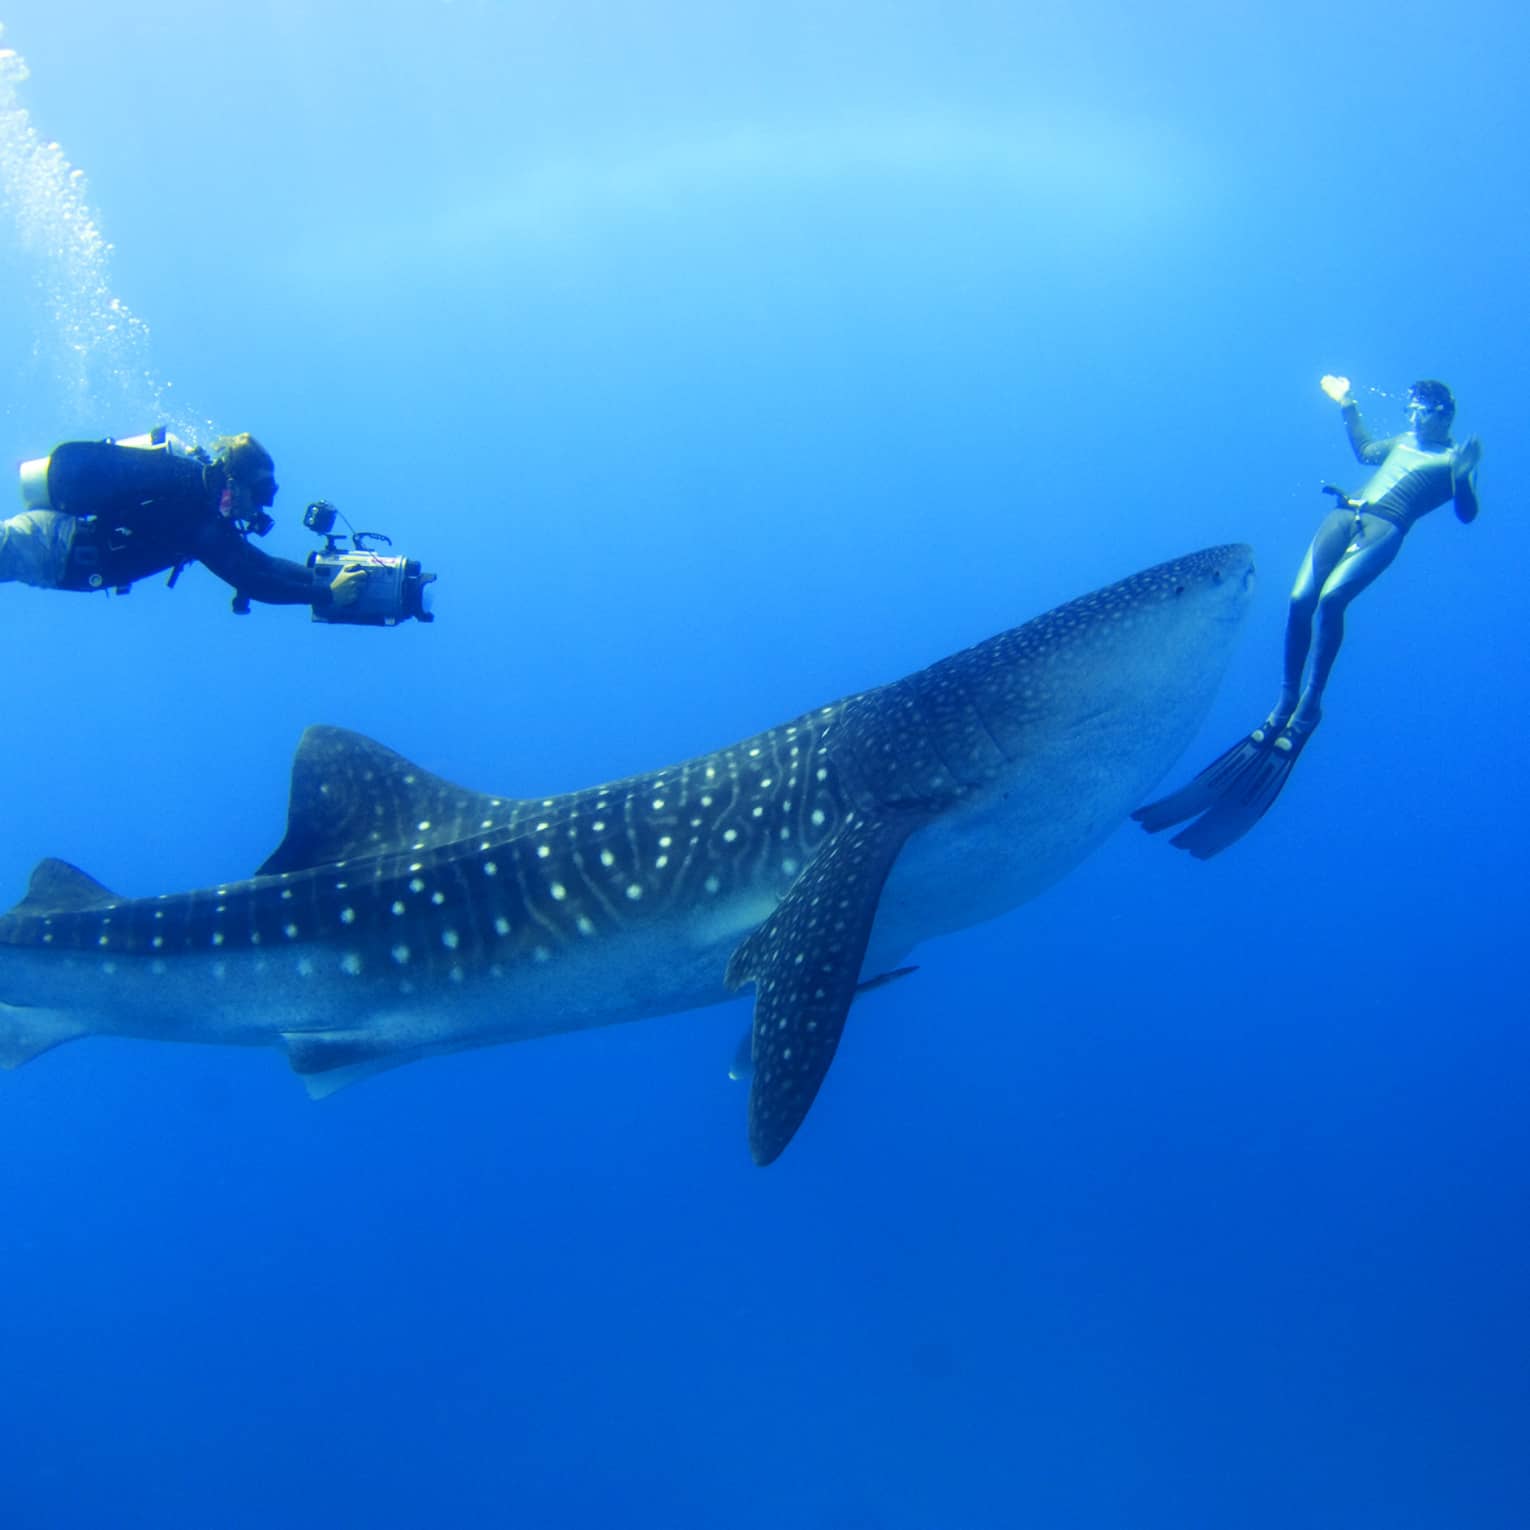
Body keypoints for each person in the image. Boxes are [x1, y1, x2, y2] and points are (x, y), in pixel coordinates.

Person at [1134, 376, 1483, 859]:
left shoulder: (1451, 459)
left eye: (1422, 411)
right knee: (1299, 600)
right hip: (1345, 514)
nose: (1413, 418)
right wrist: (1348, 404)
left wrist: (1464, 476)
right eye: (1410, 409)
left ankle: (1309, 708)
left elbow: (1467, 514)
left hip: (1387, 527)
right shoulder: (1401, 441)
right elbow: (1364, 452)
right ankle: (1284, 703)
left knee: (1333, 600)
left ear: (1445, 414)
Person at [1, 428, 366, 615]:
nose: (257, 511)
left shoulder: (200, 503)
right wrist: (326, 594)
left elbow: (262, 564)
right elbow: (253, 580)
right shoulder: (196, 515)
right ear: (235, 484)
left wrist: (325, 578)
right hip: (52, 546)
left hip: (55, 544)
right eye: (257, 498)